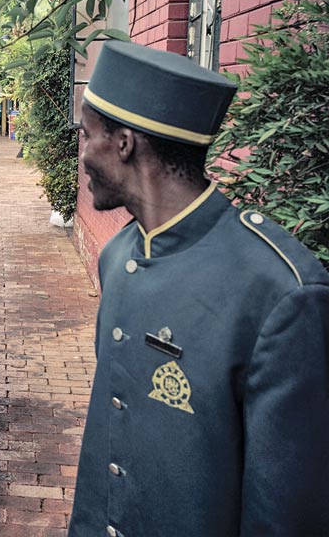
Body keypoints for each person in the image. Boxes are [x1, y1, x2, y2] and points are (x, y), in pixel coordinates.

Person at [69, 41, 329, 536]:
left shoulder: (280, 292)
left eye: (87, 137)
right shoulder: (118, 253)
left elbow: (288, 514)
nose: (81, 156)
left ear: (124, 143)